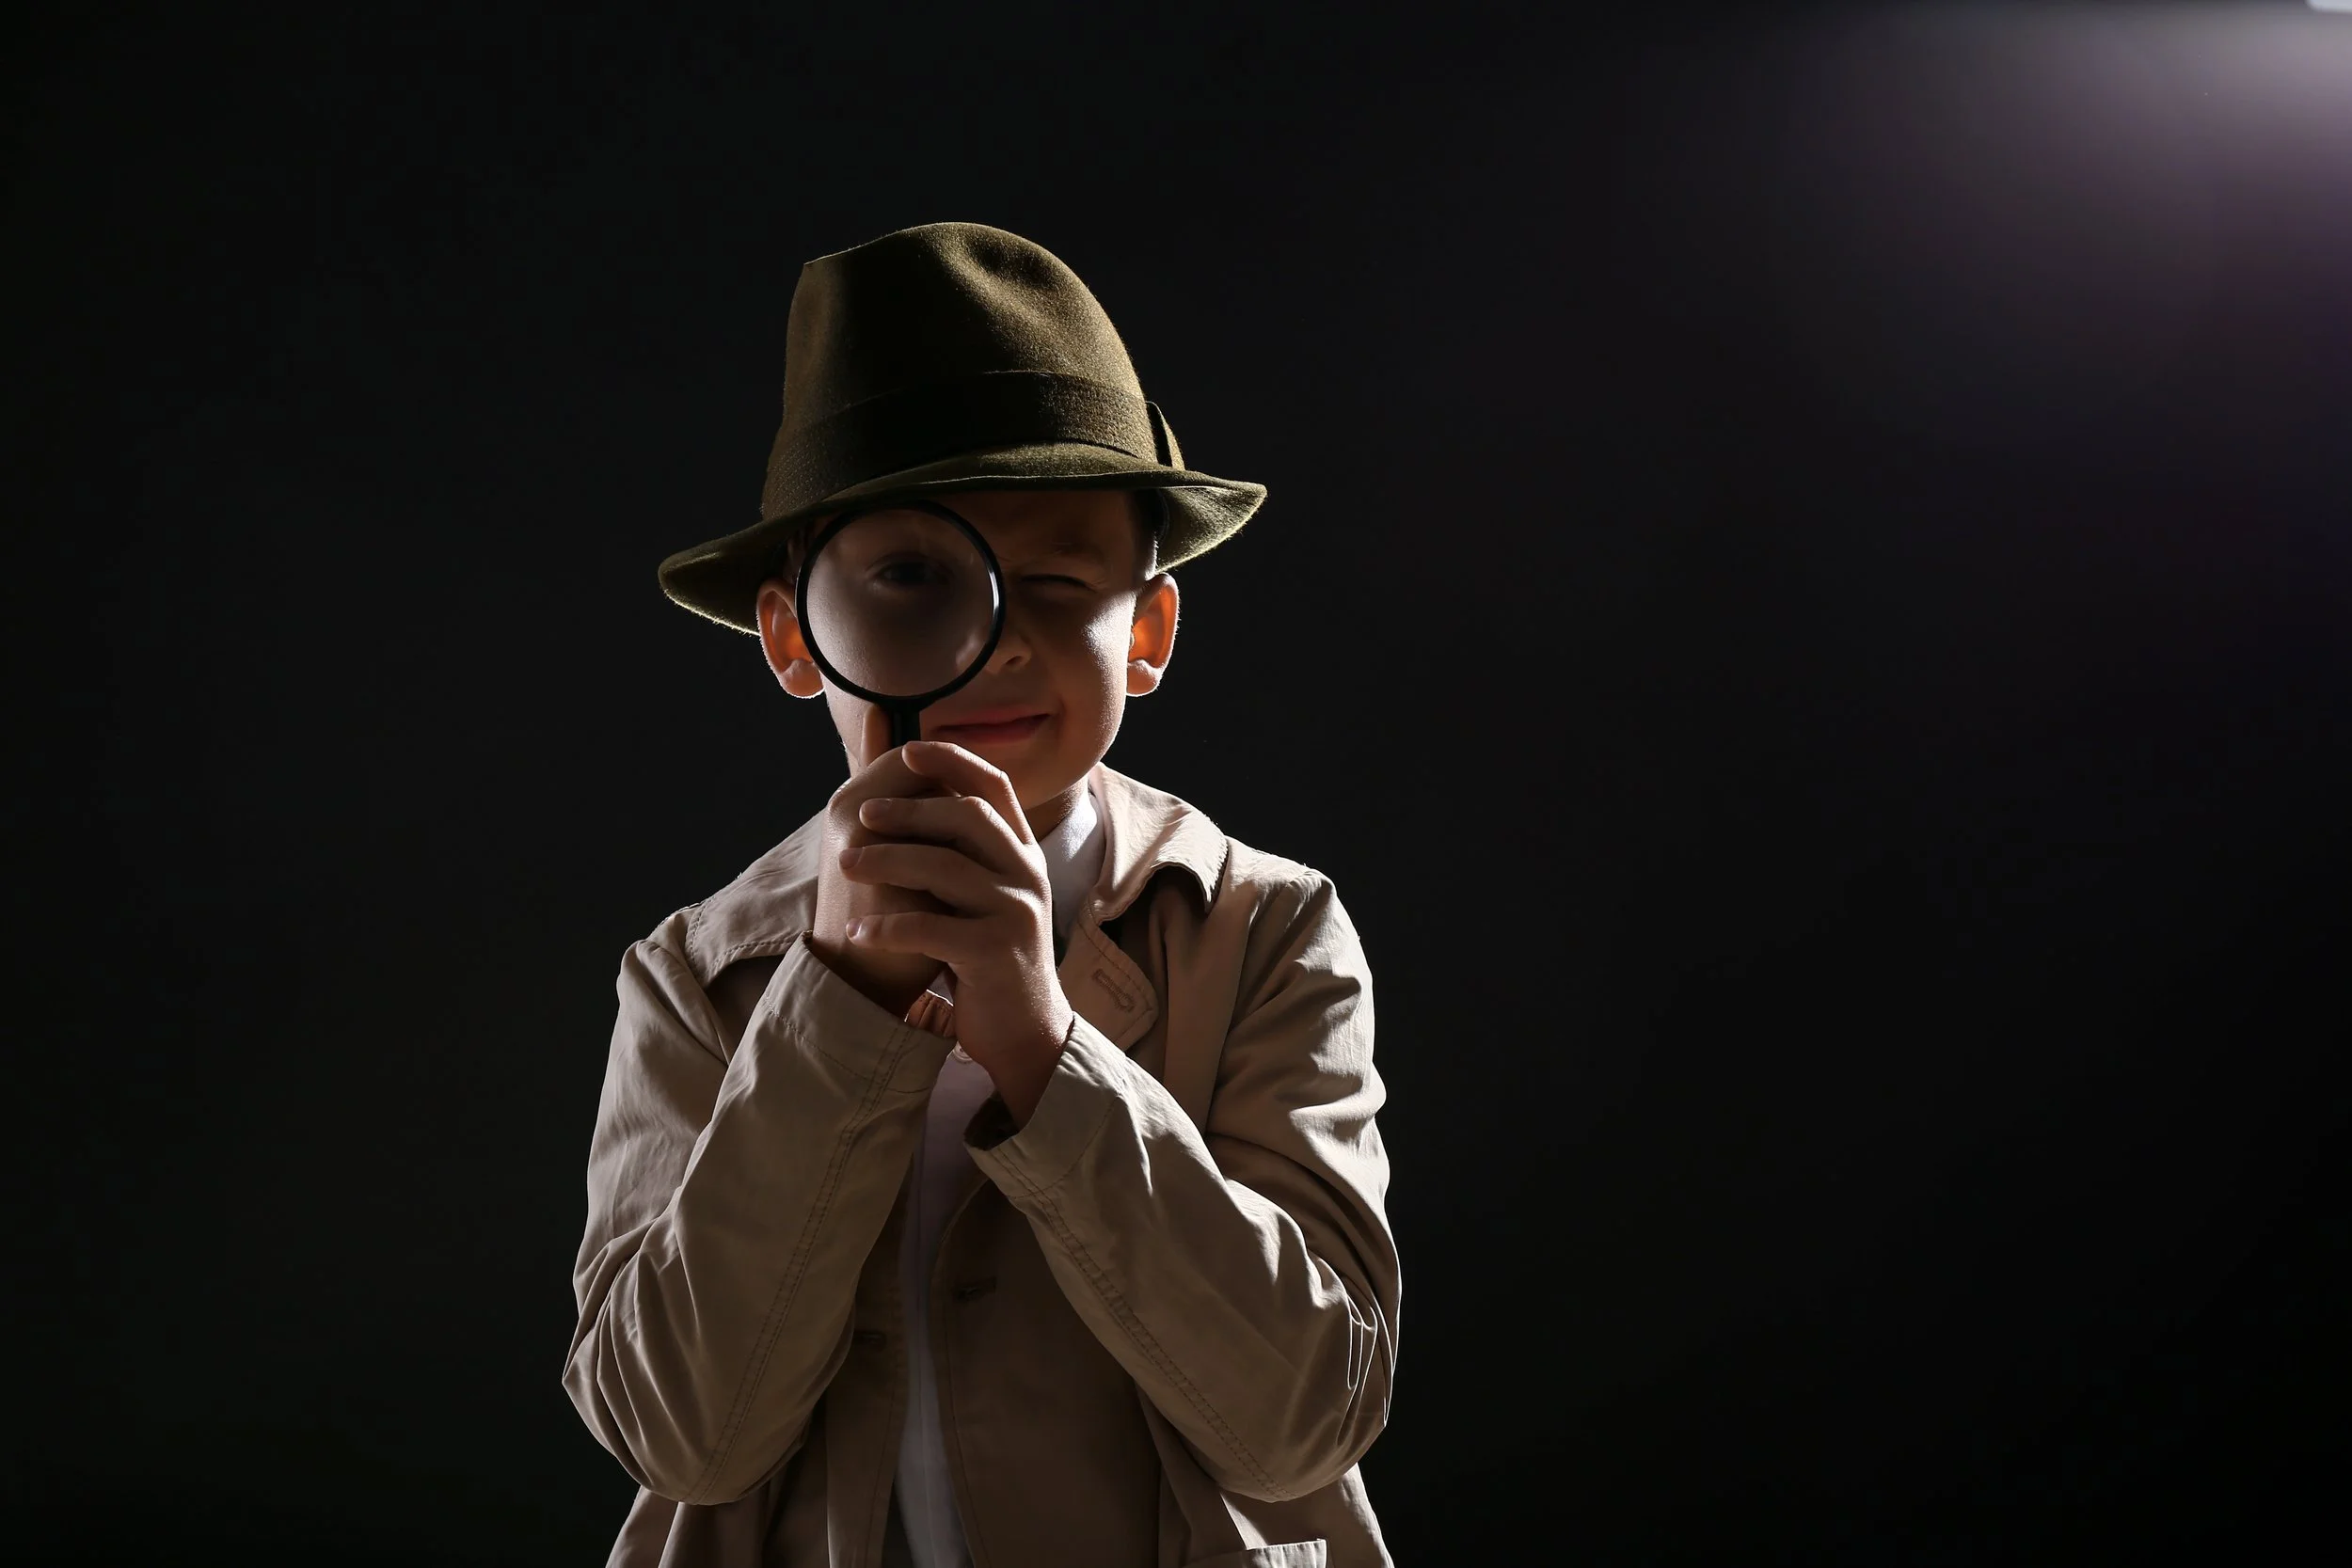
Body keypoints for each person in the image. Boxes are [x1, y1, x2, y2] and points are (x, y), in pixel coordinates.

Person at [564, 221, 1401, 1568]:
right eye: (912, 577)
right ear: (794, 634)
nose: (994, 636)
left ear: (1148, 632)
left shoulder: (1263, 932)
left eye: (1060, 582)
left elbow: (1305, 1421)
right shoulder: (695, 978)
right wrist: (834, 1008)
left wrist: (1043, 1047)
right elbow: (682, 1437)